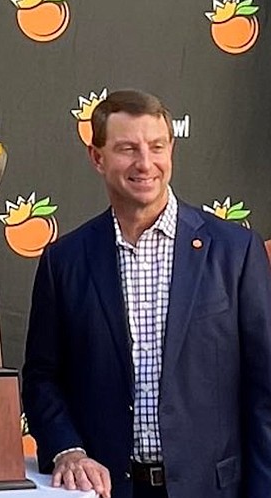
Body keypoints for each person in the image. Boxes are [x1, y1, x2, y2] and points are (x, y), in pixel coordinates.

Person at [21, 89, 271, 498]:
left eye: (156, 147)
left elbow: (265, 391)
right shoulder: (64, 261)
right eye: (127, 149)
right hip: (105, 492)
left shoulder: (236, 251)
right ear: (97, 157)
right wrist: (68, 450)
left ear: (171, 149)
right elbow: (42, 378)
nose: (145, 163)